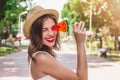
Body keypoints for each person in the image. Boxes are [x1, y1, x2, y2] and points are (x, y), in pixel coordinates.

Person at [23, 6, 88, 80]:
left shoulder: (37, 55)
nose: (51, 33)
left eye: (53, 28)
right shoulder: (42, 58)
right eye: (44, 30)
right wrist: (80, 43)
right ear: (35, 33)